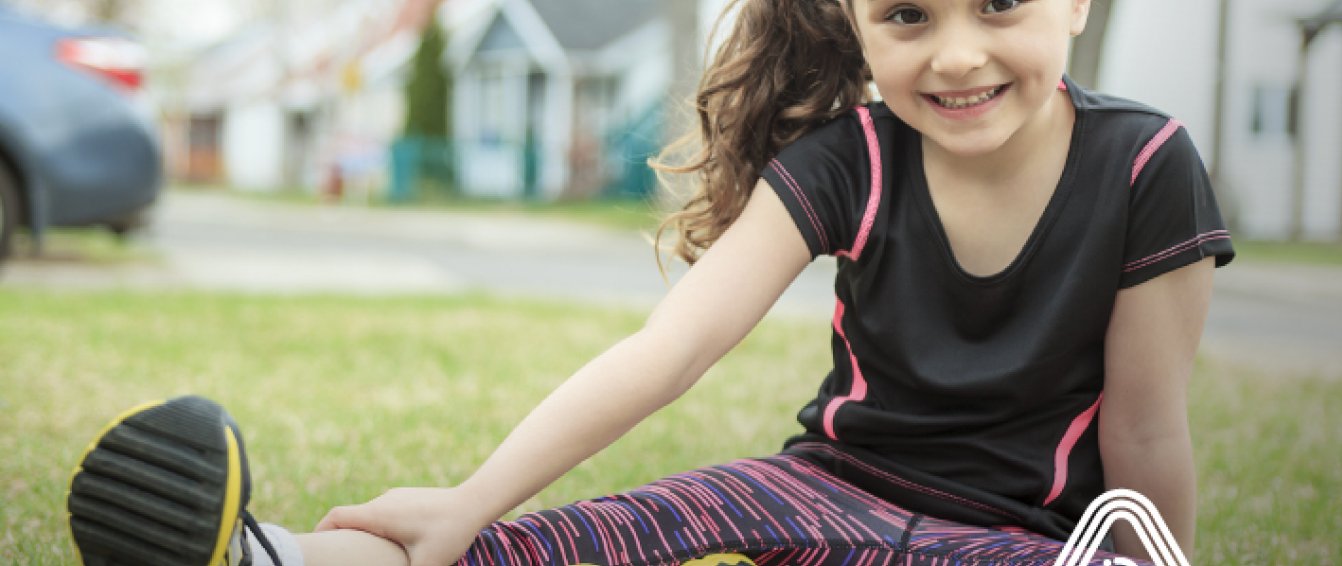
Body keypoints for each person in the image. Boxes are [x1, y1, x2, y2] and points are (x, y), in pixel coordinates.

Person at [65, 0, 1234, 564]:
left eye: (1000, 4)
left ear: (1076, 1)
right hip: (819, 495)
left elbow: (1142, 429)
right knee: (574, 538)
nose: (959, 52)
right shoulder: (850, 160)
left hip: (1015, 541)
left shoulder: (1143, 166)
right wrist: (476, 497)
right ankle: (276, 556)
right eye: (908, 16)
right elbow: (665, 350)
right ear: (858, 28)